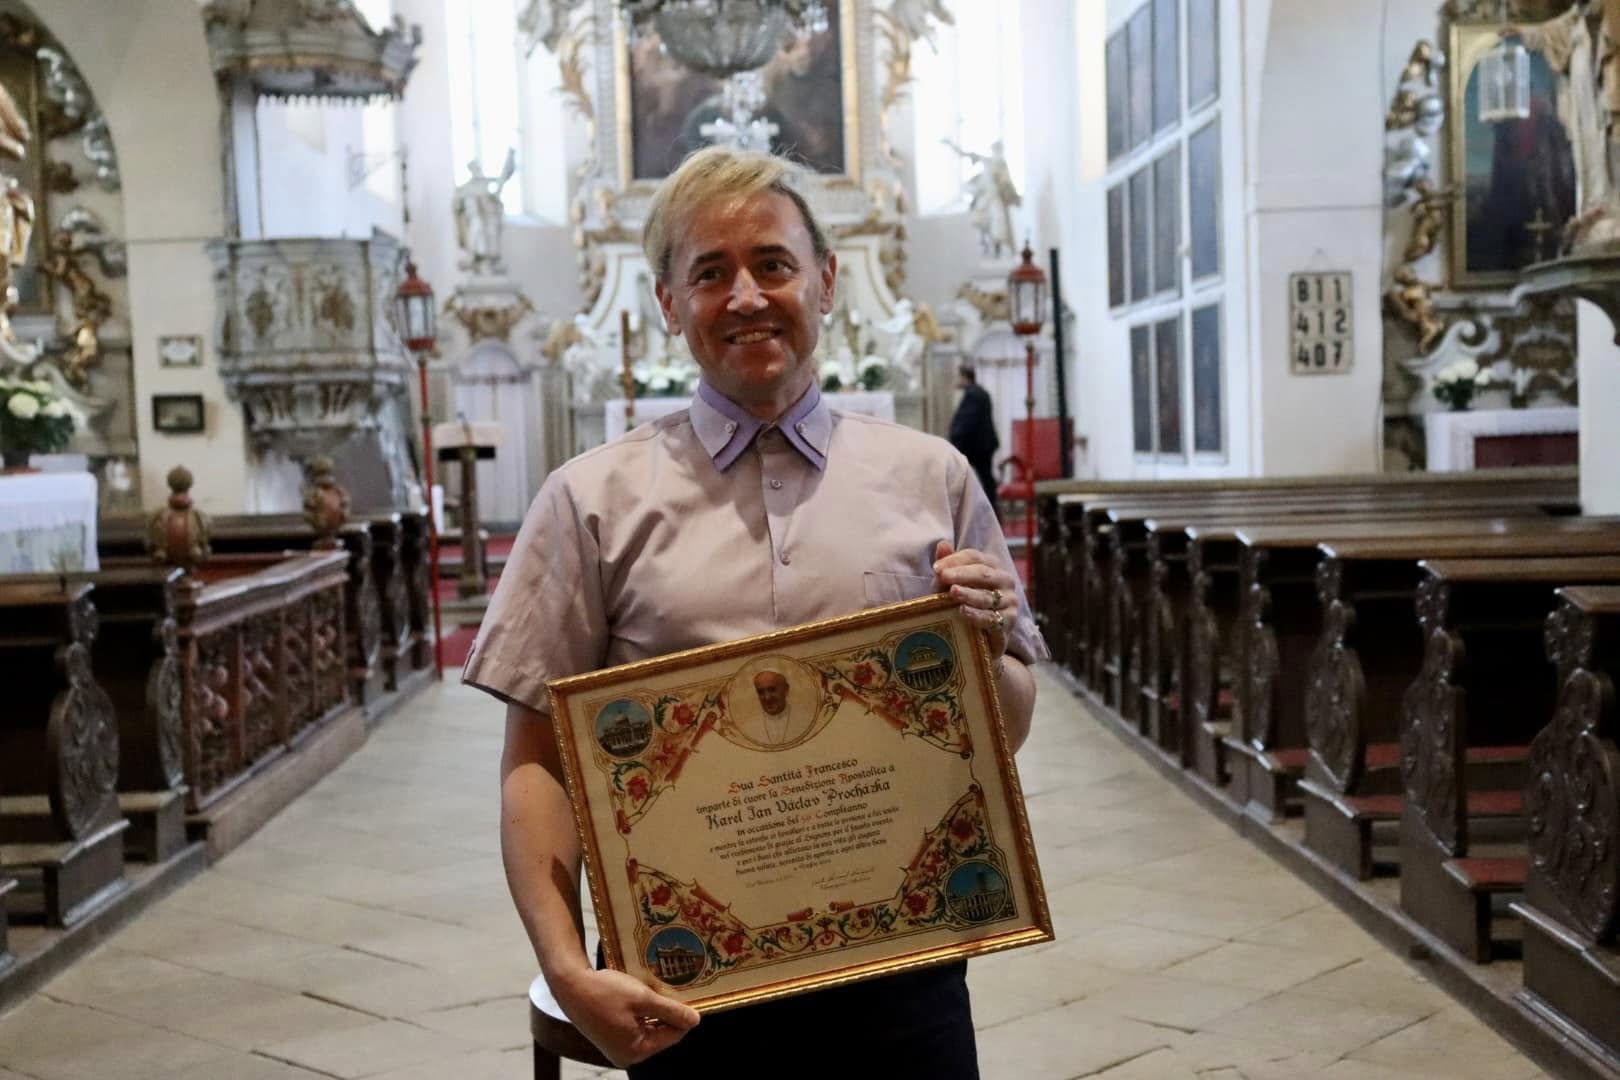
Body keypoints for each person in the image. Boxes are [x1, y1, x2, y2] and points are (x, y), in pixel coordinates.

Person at [463, 145, 1045, 1077]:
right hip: (687, 987)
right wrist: (567, 969)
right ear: (668, 303)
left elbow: (1004, 731)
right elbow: (536, 761)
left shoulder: (930, 477)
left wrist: (982, 657)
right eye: (710, 273)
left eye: (773, 264)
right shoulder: (590, 501)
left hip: (901, 970)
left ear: (825, 281)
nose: (746, 296)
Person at [948, 364, 1000, 516]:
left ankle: (989, 512)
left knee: (982, 478)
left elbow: (967, 422)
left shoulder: (973, 395)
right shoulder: (979, 392)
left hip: (978, 447)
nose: (957, 380)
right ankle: (990, 510)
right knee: (986, 478)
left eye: (959, 377)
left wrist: (954, 438)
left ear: (965, 377)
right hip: (982, 445)